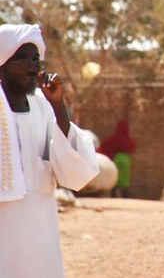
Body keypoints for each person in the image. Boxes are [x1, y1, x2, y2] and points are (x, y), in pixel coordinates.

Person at [0, 24, 100, 278]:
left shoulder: (44, 108)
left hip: (40, 233)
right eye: (23, 58)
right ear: (3, 63)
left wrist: (59, 108)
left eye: (36, 59)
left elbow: (76, 174)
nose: (34, 66)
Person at [100, 119, 137, 198]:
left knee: (116, 176)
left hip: (117, 157)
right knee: (124, 178)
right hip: (126, 158)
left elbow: (107, 145)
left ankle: (114, 195)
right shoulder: (128, 139)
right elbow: (132, 147)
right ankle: (125, 195)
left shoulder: (115, 137)